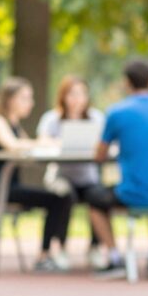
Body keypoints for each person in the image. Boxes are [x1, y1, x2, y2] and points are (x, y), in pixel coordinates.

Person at [88, 60, 148, 280]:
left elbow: (99, 156)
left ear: (126, 83)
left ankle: (114, 258)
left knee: (94, 197)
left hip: (133, 193)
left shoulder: (117, 112)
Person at [0, 77, 74, 272]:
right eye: (25, 98)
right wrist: (45, 142)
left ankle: (52, 251)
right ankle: (44, 255)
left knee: (62, 197)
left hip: (13, 186)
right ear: (9, 99)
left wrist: (44, 144)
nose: (30, 103)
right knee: (57, 199)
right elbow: (13, 145)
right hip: (1, 188)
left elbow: (28, 146)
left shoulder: (15, 124)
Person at [37, 76, 108, 268]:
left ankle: (95, 247)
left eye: (81, 93)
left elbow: (105, 144)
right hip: (61, 177)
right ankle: (61, 247)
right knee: (63, 196)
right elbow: (42, 141)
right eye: (72, 94)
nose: (77, 98)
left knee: (100, 197)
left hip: (88, 178)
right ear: (64, 96)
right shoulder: (52, 119)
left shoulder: (96, 118)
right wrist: (60, 143)